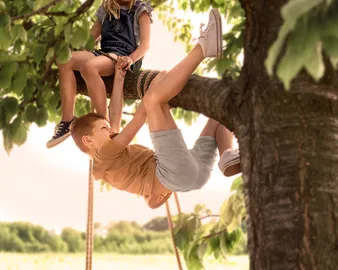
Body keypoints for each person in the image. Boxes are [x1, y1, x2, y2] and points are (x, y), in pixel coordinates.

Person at [70, 9, 241, 209]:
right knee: (152, 101)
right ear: (88, 140)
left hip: (194, 173)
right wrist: (156, 87)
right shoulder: (104, 154)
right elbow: (136, 122)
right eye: (103, 129)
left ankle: (227, 154)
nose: (109, 130)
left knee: (219, 117)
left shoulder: (108, 159)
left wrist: (119, 78)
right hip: (171, 173)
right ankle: (203, 49)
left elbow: (114, 113)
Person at [47, 0, 152, 148]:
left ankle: (104, 122)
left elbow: (145, 45)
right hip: (103, 53)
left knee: (89, 67)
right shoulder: (106, 9)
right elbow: (90, 39)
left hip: (123, 55)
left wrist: (131, 59)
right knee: (64, 60)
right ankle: (67, 120)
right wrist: (72, 45)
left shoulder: (141, 9)